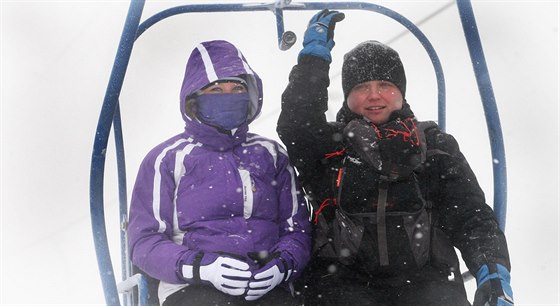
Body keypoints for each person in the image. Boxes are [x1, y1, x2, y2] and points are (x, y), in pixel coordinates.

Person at [277, 9, 513, 306]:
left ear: (400, 92)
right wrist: (313, 62)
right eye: (362, 87)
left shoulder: (433, 145)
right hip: (341, 282)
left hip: (426, 281)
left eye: (385, 86)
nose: (374, 95)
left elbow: (470, 214)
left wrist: (492, 272)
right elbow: (296, 123)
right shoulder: (329, 145)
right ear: (348, 96)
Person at [128, 40, 312, 306]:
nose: (229, 96)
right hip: (192, 287)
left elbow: (297, 229)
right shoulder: (167, 159)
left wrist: (282, 264)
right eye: (216, 90)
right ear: (195, 100)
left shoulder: (271, 155)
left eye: (237, 88)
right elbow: (144, 240)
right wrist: (201, 267)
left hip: (263, 284)